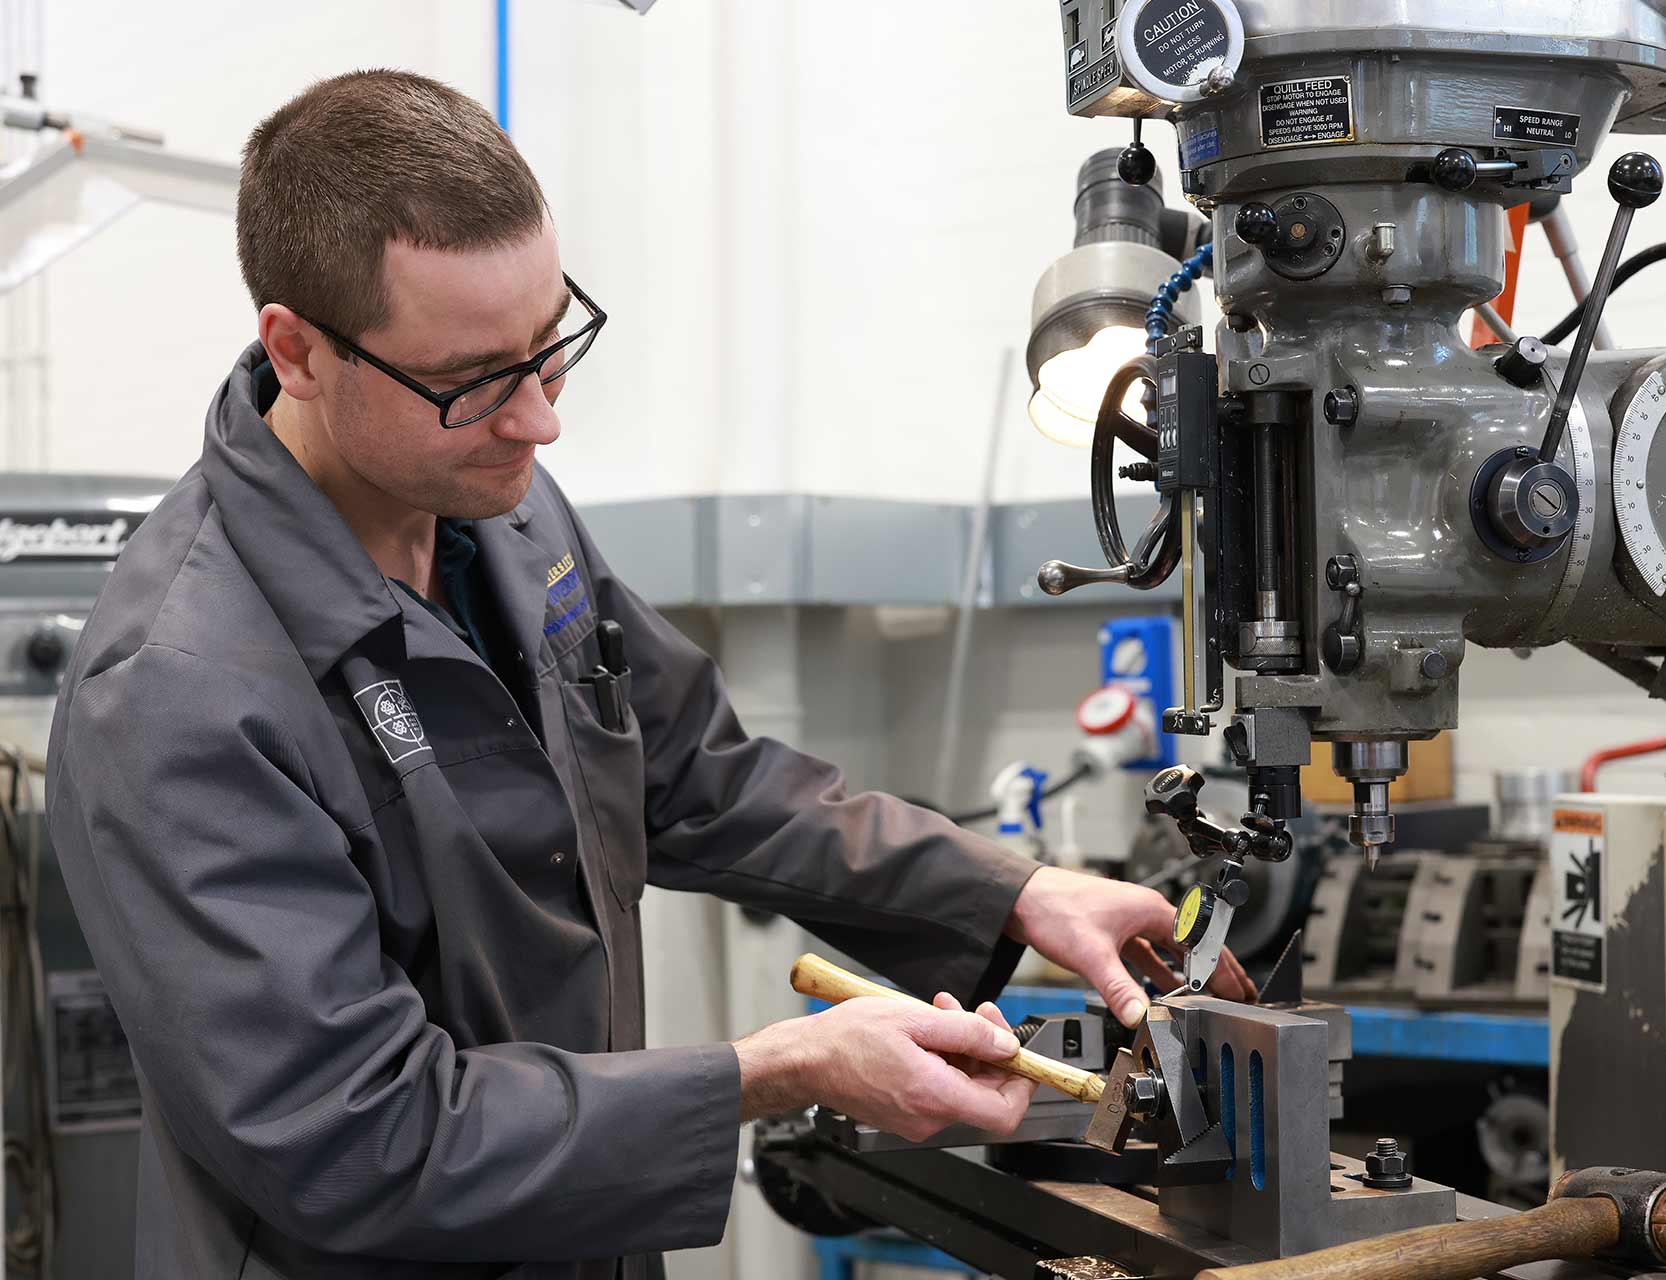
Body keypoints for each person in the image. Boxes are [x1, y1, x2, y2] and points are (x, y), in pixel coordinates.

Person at [44, 70, 1255, 1279]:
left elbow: (701, 778)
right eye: (473, 380)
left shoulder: (506, 515)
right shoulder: (180, 691)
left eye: (550, 347)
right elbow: (359, 1134)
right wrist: (772, 1070)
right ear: (297, 352)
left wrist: (1017, 890)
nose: (539, 422)